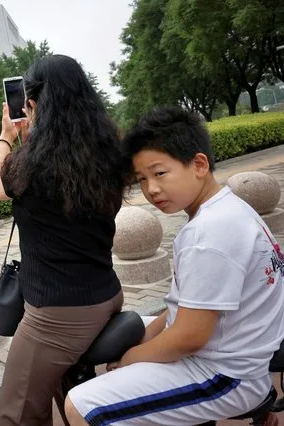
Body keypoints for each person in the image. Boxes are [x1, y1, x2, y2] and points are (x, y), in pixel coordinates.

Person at [65, 106, 284, 426]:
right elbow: (187, 306)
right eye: (142, 179)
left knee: (82, 406)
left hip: (226, 375)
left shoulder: (207, 233)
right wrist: (145, 339)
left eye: (160, 173)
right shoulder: (230, 207)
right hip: (240, 353)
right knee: (131, 331)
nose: (151, 188)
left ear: (198, 164)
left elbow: (188, 337)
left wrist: (131, 359)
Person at [0, 54, 126, 425]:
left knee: (14, 416)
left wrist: (7, 135)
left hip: (58, 315)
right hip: (107, 294)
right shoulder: (109, 152)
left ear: (31, 105)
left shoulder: (29, 165)